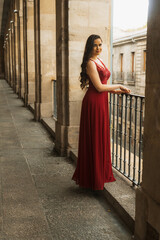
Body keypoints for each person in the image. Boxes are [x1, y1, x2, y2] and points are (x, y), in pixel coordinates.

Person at [72, 34, 130, 190]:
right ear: (90, 47)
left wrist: (118, 92)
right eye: (95, 45)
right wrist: (118, 85)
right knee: (95, 137)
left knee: (100, 136)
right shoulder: (90, 63)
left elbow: (104, 86)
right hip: (93, 103)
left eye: (100, 45)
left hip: (101, 102)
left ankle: (99, 174)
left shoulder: (100, 60)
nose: (98, 48)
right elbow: (98, 87)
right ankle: (93, 178)